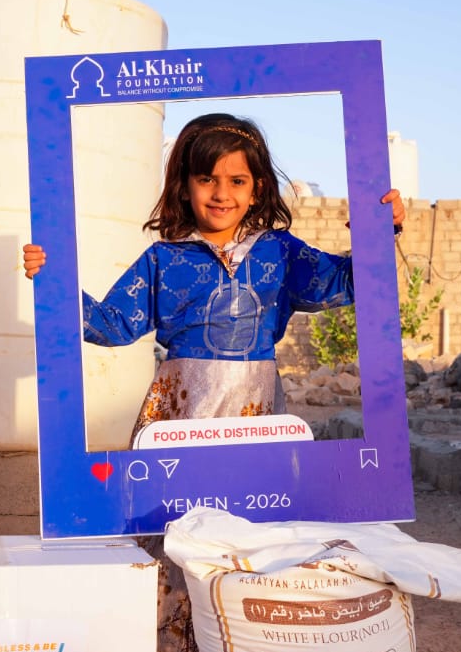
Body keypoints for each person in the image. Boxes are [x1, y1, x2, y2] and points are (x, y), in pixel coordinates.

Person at [23, 112, 405, 446]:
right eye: (207, 178)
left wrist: (379, 233)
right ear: (185, 188)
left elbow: (348, 283)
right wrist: (53, 281)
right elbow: (113, 325)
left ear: (257, 190)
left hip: (257, 418)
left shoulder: (280, 253)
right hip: (180, 417)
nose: (222, 193)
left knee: (253, 511)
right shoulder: (164, 259)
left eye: (237, 181)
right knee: (177, 517)